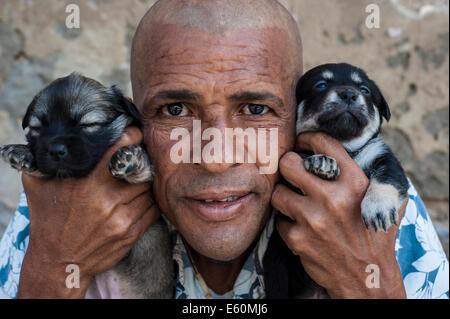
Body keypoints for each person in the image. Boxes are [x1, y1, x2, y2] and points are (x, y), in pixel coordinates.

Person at [0, 0, 448, 299]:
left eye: (255, 108)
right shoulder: (67, 208)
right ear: (135, 122)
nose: (215, 156)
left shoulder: (371, 203)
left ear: (298, 117)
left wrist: (368, 282)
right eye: (175, 109)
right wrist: (53, 268)